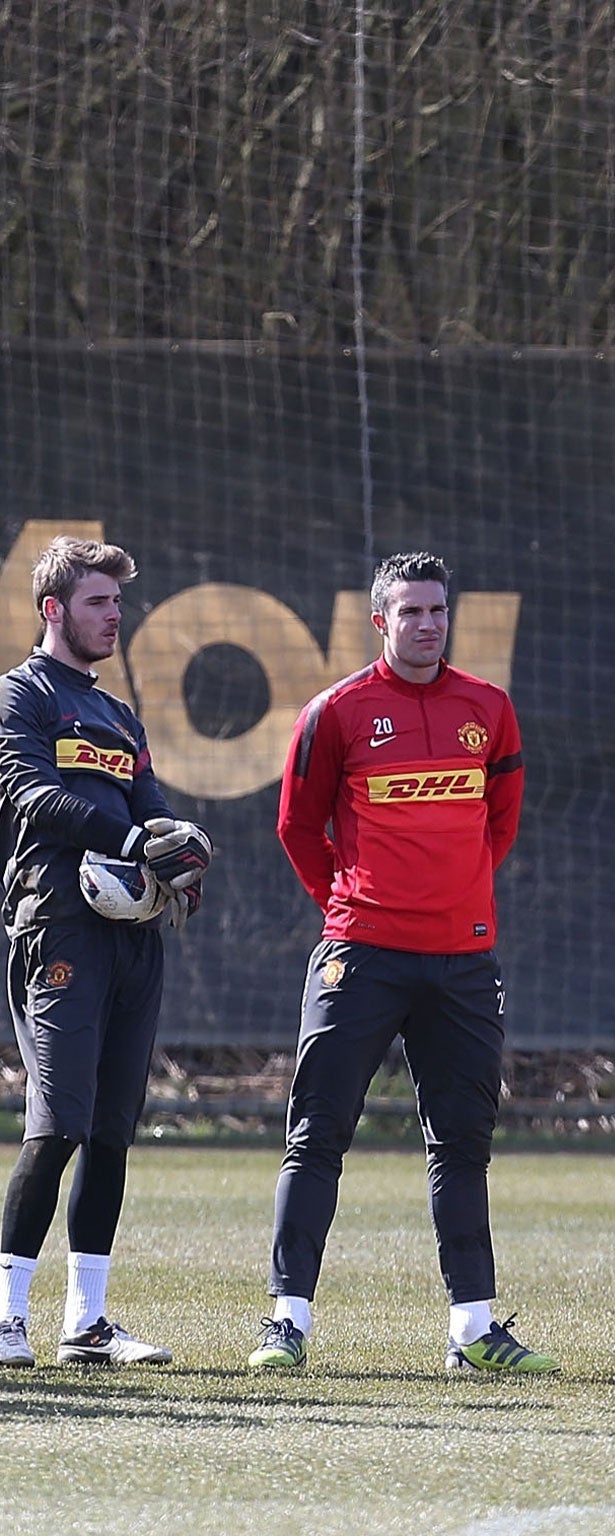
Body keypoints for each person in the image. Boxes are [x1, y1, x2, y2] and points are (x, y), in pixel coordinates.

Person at [251, 551, 555, 1374]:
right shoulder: (338, 711)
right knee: (316, 1135)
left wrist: (454, 903)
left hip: (461, 963)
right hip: (361, 954)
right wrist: (350, 907)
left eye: (438, 610)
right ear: (379, 621)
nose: (427, 624)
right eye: (410, 612)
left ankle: (472, 1329)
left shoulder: (488, 709)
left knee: (461, 1144)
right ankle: (287, 1323)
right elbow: (295, 825)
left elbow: (500, 824)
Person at [0, 537, 211, 1369]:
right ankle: (8, 1318)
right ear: (54, 610)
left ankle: (86, 1324)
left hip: (134, 939)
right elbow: (28, 793)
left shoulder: (120, 716)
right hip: (56, 927)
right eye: (98, 602)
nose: (113, 615)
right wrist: (130, 837)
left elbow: (154, 810)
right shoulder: (22, 696)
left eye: (119, 603)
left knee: (114, 1133)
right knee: (57, 1127)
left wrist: (182, 862)